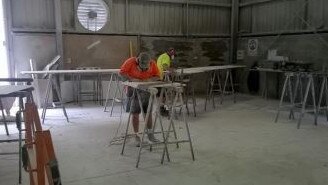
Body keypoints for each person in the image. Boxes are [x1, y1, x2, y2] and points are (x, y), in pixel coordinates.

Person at [120, 52, 160, 147]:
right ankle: (136, 136)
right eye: (142, 67)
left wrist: (149, 80)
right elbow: (121, 73)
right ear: (138, 61)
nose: (143, 69)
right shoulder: (130, 62)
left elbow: (158, 76)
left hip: (146, 89)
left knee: (148, 112)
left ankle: (150, 135)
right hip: (133, 89)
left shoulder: (152, 63)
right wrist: (132, 79)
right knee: (135, 113)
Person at [156, 48, 176, 115]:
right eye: (172, 53)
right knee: (163, 94)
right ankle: (161, 110)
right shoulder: (167, 57)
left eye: (173, 53)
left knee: (160, 94)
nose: (173, 54)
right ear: (168, 52)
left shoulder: (162, 55)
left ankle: (160, 109)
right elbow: (165, 66)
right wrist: (172, 70)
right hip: (161, 77)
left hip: (158, 76)